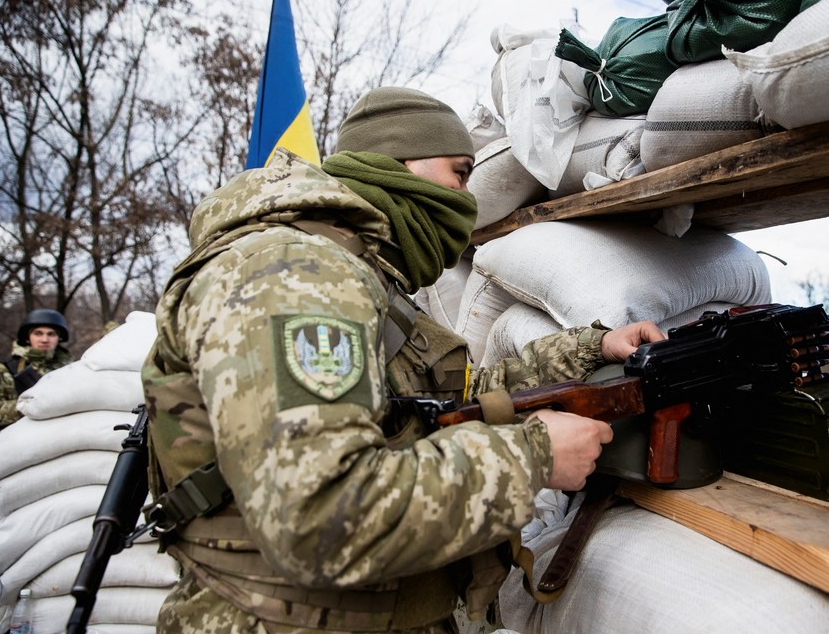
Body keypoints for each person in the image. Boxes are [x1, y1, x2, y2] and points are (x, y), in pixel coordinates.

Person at [142, 86, 665, 633]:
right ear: (396, 163)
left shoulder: (359, 278)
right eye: (459, 173)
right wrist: (531, 457)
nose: (467, 197)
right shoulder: (297, 273)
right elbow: (318, 515)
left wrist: (592, 349)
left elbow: (446, 399)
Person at [0, 309, 74, 429]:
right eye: (38, 333)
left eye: (51, 334)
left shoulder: (71, 371)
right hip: (16, 440)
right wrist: (25, 408)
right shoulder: (4, 371)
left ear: (59, 338)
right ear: (28, 337)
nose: (44, 339)